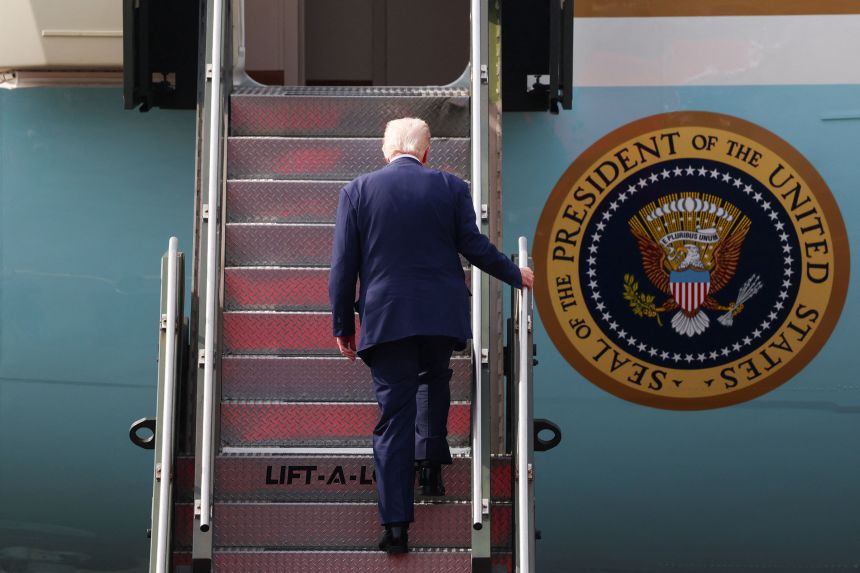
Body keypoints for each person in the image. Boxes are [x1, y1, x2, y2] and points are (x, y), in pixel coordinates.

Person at [328, 117, 534, 554]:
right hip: (440, 314)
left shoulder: (357, 192)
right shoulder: (451, 187)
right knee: (434, 377)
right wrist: (515, 274)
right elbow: (473, 246)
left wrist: (343, 325)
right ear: (425, 152)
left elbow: (343, 267)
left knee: (393, 417)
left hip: (387, 318)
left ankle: (396, 526)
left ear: (386, 151)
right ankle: (431, 464)